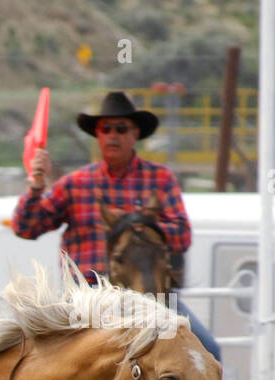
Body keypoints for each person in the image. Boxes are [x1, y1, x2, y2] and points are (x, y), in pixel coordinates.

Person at [12, 90, 221, 361]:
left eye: (121, 129)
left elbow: (181, 236)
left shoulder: (159, 179)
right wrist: (37, 185)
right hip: (87, 297)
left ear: (135, 134)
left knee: (208, 351)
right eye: (105, 128)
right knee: (41, 361)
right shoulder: (75, 183)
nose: (113, 135)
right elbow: (26, 227)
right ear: (98, 135)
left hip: (150, 296)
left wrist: (138, 226)